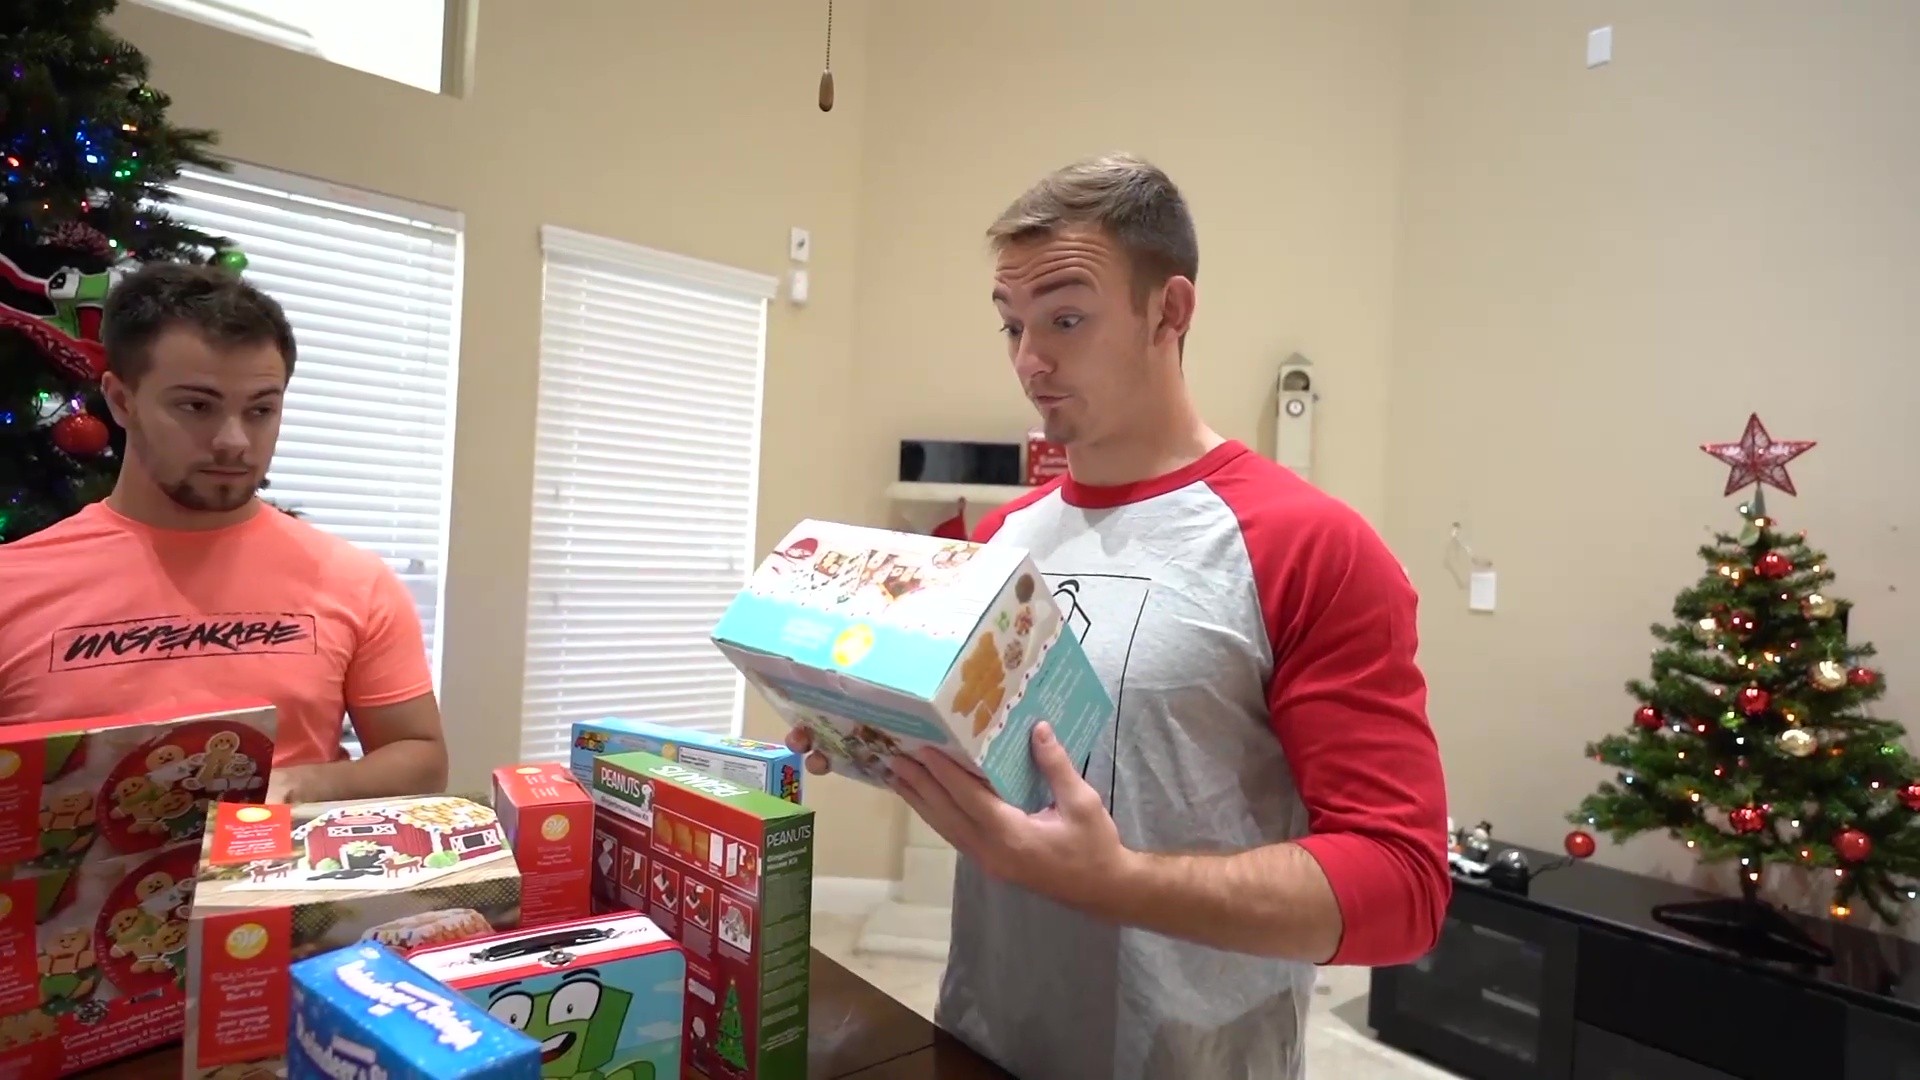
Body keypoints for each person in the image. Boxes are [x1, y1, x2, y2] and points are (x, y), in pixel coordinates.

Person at [786, 153, 1450, 1079]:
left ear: (1169, 312)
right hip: (982, 1038)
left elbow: (1402, 887)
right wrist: (877, 729)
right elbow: (1006, 772)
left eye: (1065, 319)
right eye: (1012, 324)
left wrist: (1120, 883)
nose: (1029, 360)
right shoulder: (1002, 539)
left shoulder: (1312, 546)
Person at [0, 262, 448, 804]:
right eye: (197, 406)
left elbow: (420, 757)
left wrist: (305, 784)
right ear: (121, 401)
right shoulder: (13, 585)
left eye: (260, 410)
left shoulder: (354, 582)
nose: (234, 441)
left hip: (280, 857)